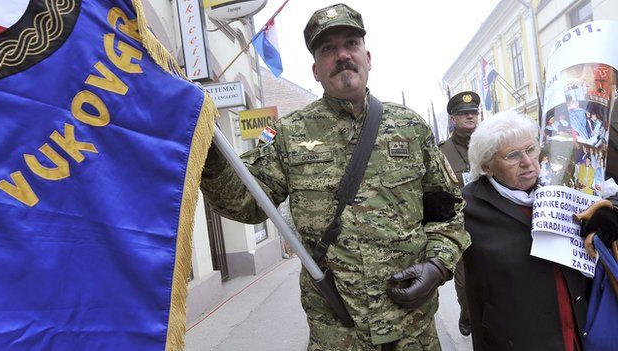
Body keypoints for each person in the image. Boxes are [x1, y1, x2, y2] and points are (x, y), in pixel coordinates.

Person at [200, 3, 470, 350]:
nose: (342, 55)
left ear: (367, 57)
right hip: (338, 335)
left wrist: (436, 266)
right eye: (328, 49)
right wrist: (210, 155)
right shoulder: (289, 134)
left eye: (350, 44)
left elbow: (448, 215)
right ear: (315, 69)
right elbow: (246, 203)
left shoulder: (410, 127)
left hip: (413, 330)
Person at [462, 111, 589, 350]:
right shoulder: (467, 207)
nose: (528, 162)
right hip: (517, 337)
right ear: (487, 166)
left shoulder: (560, 189)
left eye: (531, 150)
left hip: (575, 329)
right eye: (513, 156)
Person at [438, 90, 480, 336]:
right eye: (464, 114)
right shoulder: (442, 152)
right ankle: (467, 317)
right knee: (465, 286)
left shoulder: (491, 144)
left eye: (473, 112)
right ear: (453, 119)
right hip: (459, 226)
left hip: (491, 223)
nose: (470, 117)